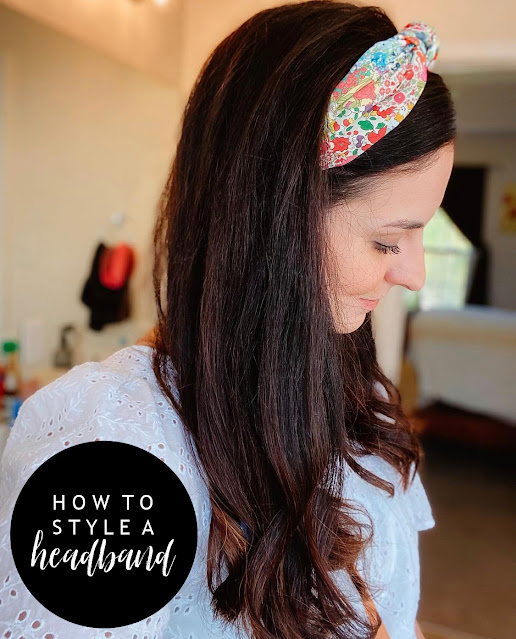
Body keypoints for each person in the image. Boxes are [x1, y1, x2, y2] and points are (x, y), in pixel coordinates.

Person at [0, 2, 455, 638]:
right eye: (388, 241)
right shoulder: (112, 449)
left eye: (420, 234)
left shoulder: (357, 396)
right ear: (274, 223)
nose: (415, 274)